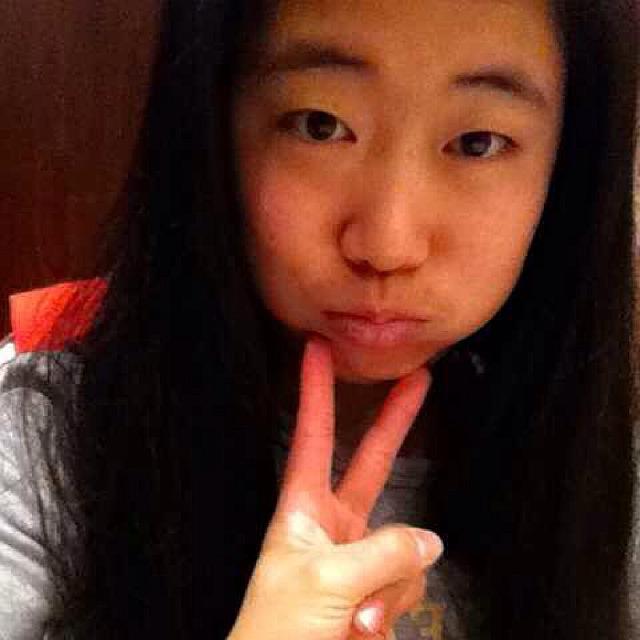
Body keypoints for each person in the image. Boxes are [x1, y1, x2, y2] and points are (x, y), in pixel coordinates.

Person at [0, 0, 638, 638]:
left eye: (477, 144)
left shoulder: (610, 481)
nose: (388, 244)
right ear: (212, 135)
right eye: (319, 125)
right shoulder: (40, 449)